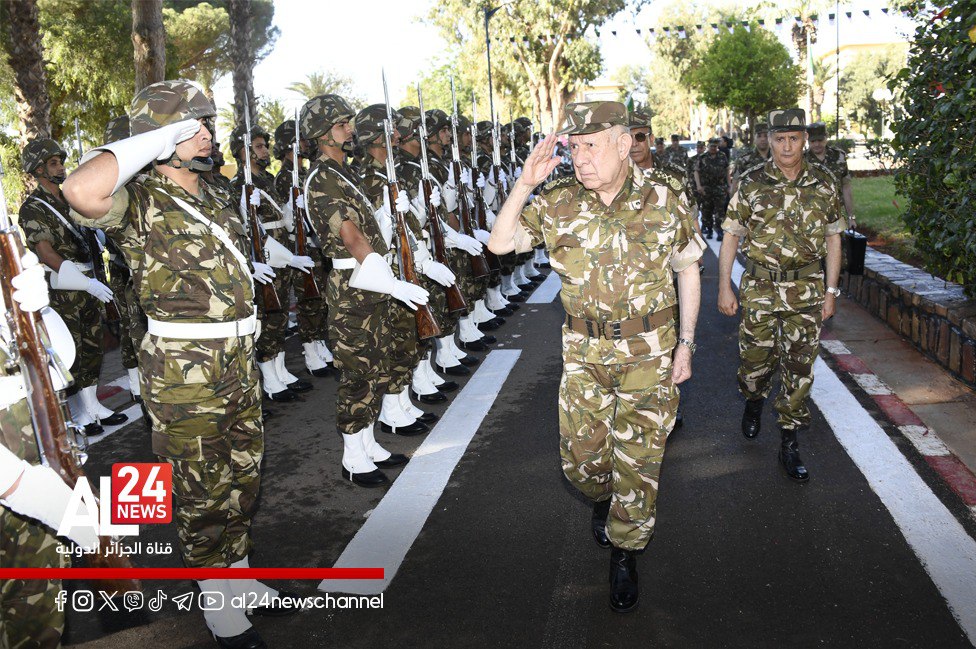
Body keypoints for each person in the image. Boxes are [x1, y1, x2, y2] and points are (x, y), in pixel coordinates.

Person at [64, 79, 293, 649]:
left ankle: (236, 575)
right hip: (184, 363)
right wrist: (159, 135)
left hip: (237, 354)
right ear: (162, 135)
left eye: (206, 122)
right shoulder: (135, 198)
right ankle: (217, 600)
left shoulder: (214, 191)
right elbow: (78, 190)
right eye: (193, 124)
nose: (207, 134)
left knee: (242, 471)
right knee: (200, 482)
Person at [488, 101, 704, 613]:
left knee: (641, 461)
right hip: (584, 352)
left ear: (625, 144)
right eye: (574, 147)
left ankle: (626, 551)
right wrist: (524, 184)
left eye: (591, 145)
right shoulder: (560, 203)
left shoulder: (665, 199)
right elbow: (500, 245)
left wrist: (687, 343)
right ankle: (604, 496)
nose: (579, 158)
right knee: (582, 463)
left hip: (649, 354)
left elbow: (689, 269)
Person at [301, 93, 423, 487]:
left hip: (372, 280)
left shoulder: (344, 174)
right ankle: (352, 456)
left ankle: (368, 443)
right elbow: (351, 237)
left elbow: (370, 229)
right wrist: (390, 280)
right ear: (322, 134)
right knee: (358, 371)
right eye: (340, 125)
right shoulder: (321, 179)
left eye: (348, 123)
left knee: (378, 363)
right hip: (354, 285)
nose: (349, 129)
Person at [717, 108, 845, 483]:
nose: (787, 146)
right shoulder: (752, 182)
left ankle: (789, 439)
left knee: (800, 367)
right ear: (768, 140)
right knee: (754, 363)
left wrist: (832, 291)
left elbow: (834, 239)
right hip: (759, 289)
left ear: (804, 139)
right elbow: (731, 235)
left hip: (806, 290)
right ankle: (754, 400)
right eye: (779, 139)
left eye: (793, 138)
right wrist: (724, 285)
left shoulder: (824, 182)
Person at [0, 249, 99, 649]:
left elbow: (53, 366)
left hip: (29, 440)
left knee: (35, 606)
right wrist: (19, 483)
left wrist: (38, 317)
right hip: (13, 472)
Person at [18, 138, 126, 436]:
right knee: (73, 350)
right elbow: (45, 251)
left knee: (92, 348)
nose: (61, 167)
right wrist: (84, 283)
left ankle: (92, 406)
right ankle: (77, 412)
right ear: (38, 169)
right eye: (54, 163)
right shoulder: (33, 208)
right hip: (66, 286)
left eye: (60, 161)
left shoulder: (70, 198)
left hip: (89, 280)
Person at [231, 122, 315, 403]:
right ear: (242, 152)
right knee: (267, 316)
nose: (264, 151)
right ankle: (269, 375)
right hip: (265, 257)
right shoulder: (239, 185)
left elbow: (284, 218)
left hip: (283, 251)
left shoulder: (266, 180)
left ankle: (280, 370)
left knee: (278, 317)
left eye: (265, 145)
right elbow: (248, 227)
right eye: (258, 146)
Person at [272, 119, 335, 378]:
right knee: (308, 301)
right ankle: (310, 351)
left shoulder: (306, 172)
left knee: (319, 300)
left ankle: (319, 344)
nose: (306, 145)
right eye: (301, 141)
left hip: (312, 245)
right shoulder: (285, 177)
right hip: (298, 248)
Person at [805, 122, 855, 229]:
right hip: (810, 218)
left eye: (820, 140)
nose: (817, 144)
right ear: (807, 140)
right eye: (813, 141)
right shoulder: (801, 160)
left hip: (836, 216)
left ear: (826, 137)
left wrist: (851, 217)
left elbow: (846, 187)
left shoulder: (839, 157)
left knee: (837, 245)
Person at [694, 137, 729, 240]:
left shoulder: (722, 156)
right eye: (712, 146)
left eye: (715, 146)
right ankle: (709, 230)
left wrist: (729, 184)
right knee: (707, 211)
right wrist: (698, 185)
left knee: (720, 212)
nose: (713, 148)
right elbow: (696, 171)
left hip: (720, 188)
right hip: (707, 189)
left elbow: (727, 169)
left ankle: (719, 231)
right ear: (708, 146)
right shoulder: (703, 157)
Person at [731, 123, 771, 196]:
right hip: (749, 203)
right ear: (754, 138)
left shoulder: (778, 159)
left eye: (766, 136)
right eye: (759, 136)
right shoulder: (744, 160)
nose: (763, 139)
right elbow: (735, 183)